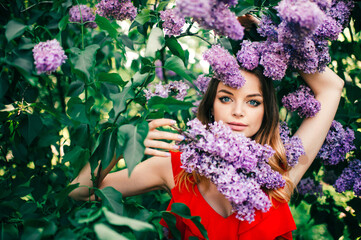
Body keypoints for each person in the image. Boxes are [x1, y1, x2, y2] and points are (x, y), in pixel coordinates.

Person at [69, 66, 344, 239]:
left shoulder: (280, 168)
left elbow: (332, 87)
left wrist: (270, 32)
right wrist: (120, 144)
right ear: (211, 105)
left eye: (253, 101)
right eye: (226, 98)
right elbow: (80, 191)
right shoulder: (175, 165)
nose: (238, 111)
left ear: (265, 112)